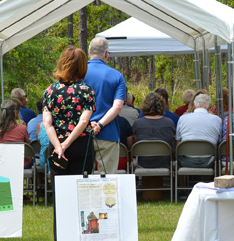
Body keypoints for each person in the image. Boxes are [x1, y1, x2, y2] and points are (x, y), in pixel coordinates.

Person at [43, 46, 96, 177]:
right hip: (81, 145)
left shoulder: (50, 91)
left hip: (56, 143)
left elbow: (47, 123)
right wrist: (66, 145)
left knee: (60, 189)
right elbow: (83, 121)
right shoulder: (87, 91)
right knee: (81, 188)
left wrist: (59, 147)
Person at [83, 37, 126, 174]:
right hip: (108, 133)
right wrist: (100, 125)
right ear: (107, 54)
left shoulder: (78, 74)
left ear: (89, 52)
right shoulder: (117, 76)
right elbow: (117, 106)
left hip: (81, 133)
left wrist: (88, 123)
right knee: (107, 181)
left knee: (83, 178)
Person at [175, 92, 222, 168]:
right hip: (209, 161)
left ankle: (181, 180)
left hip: (186, 161)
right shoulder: (217, 120)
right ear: (209, 106)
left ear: (193, 105)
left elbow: (178, 142)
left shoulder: (183, 118)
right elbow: (220, 142)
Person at [132, 92, 176, 169]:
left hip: (143, 162)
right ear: (162, 105)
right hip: (164, 162)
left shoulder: (137, 123)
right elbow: (172, 141)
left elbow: (136, 142)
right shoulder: (169, 123)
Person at [0, 99, 31, 166]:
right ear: (14, 112)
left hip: (2, 163)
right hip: (20, 163)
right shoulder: (22, 127)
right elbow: (28, 142)